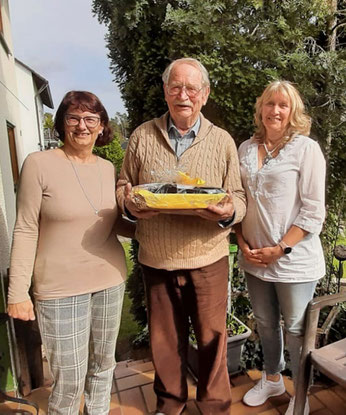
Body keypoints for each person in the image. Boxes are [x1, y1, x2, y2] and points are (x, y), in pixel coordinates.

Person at [117, 57, 246, 415]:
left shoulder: (221, 141)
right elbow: (124, 185)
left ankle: (214, 405)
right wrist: (130, 204)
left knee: (211, 339)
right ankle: (169, 403)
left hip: (208, 259)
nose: (183, 94)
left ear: (204, 94)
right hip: (157, 259)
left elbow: (239, 197)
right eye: (176, 86)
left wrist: (229, 211)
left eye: (191, 88)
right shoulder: (143, 135)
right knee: (164, 340)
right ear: (165, 91)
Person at [7, 91, 134, 415]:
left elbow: (112, 222)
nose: (82, 126)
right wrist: (18, 291)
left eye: (90, 119)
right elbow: (25, 228)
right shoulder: (39, 164)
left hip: (108, 279)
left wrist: (143, 214)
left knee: (104, 364)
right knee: (69, 379)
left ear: (102, 125)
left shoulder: (107, 168)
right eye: (73, 118)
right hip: (59, 288)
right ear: (61, 123)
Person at [234, 81, 326, 415]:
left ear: (293, 112)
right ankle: (272, 378)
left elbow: (314, 210)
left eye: (283, 105)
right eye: (270, 104)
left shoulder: (305, 149)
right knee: (265, 322)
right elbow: (239, 198)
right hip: (254, 257)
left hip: (294, 260)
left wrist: (281, 248)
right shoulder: (245, 148)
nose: (275, 110)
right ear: (260, 108)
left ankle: (300, 396)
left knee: (296, 329)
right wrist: (241, 241)